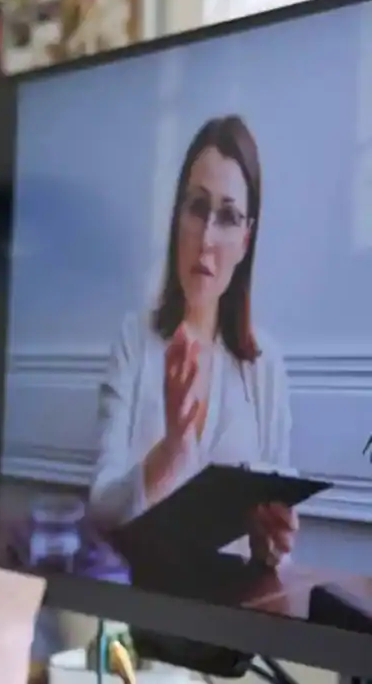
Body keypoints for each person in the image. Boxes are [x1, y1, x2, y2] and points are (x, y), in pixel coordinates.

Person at [87, 115, 296, 568]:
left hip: (230, 620)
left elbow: (275, 553)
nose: (206, 238)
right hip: (141, 608)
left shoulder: (267, 367)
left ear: (246, 238)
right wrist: (172, 449)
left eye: (227, 216)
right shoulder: (133, 341)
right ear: (176, 217)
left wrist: (270, 546)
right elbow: (100, 510)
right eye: (197, 208)